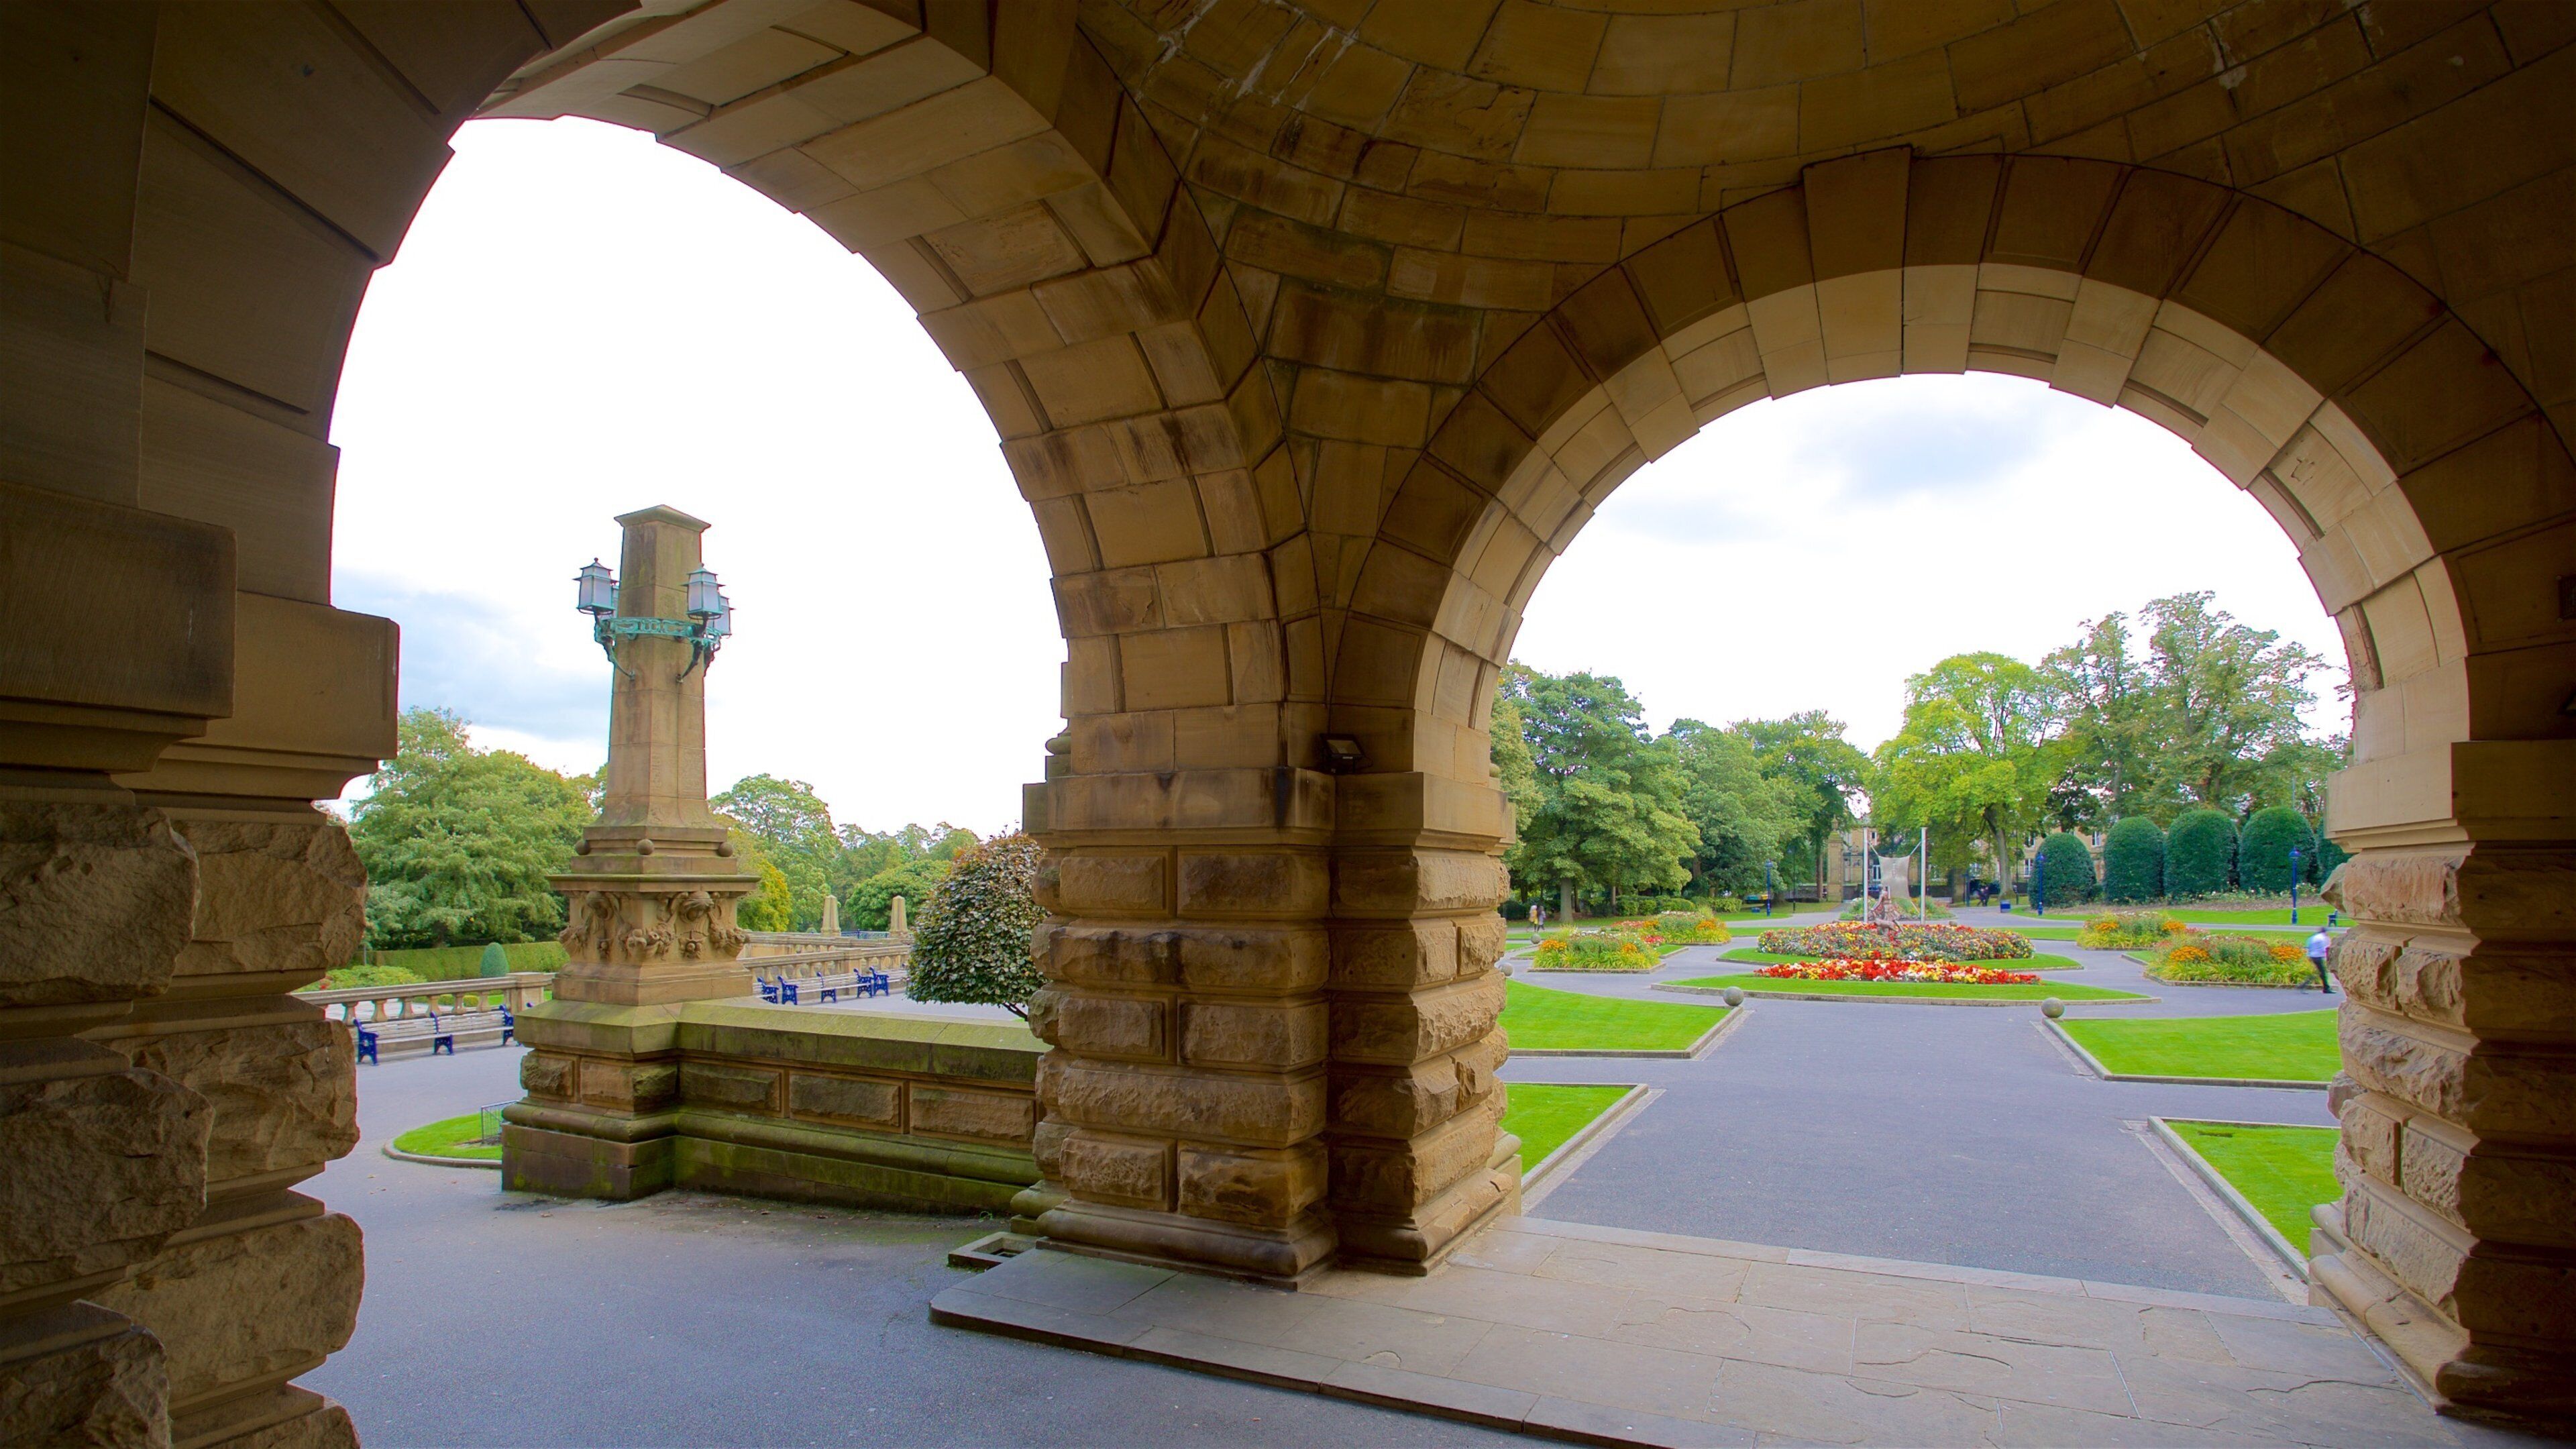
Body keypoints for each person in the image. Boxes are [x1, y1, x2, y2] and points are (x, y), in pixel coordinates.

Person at [2306, 926, 2334, 994]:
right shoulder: (2324, 938)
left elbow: (2309, 946)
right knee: (2322, 973)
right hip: (2318, 956)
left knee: (2320, 972)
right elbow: (2325, 948)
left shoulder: (2314, 937)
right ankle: (2326, 988)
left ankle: (2326, 987)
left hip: (2313, 956)